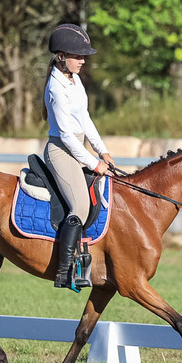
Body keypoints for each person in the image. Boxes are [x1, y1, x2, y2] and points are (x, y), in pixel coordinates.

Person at [42, 23, 115, 289]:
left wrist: (102, 150)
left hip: (78, 148)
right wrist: (94, 163)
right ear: (61, 56)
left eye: (84, 56)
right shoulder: (55, 88)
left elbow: (84, 119)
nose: (83, 61)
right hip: (61, 151)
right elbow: (68, 137)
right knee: (80, 207)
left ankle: (84, 267)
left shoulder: (75, 79)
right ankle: (64, 273)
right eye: (78, 56)